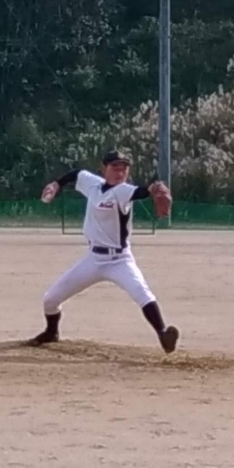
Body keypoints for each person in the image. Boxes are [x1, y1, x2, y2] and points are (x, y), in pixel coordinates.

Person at [33, 150, 179, 354]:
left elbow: (142, 192)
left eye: (124, 168)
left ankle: (163, 334)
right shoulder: (92, 184)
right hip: (94, 259)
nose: (120, 172)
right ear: (104, 168)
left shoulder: (123, 191)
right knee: (50, 299)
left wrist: (155, 187)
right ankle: (51, 332)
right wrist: (56, 184)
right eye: (115, 167)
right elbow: (76, 174)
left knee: (143, 293)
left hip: (120, 260)